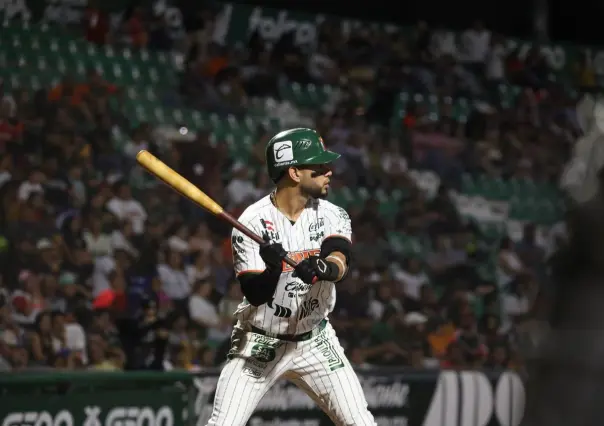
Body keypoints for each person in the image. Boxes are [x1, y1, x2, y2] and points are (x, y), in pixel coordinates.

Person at [206, 128, 376, 425]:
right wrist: (272, 270)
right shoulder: (252, 222)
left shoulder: (332, 214)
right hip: (260, 343)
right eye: (319, 167)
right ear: (295, 173)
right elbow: (255, 294)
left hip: (314, 341)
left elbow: (340, 259)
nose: (329, 172)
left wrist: (322, 268)